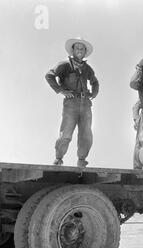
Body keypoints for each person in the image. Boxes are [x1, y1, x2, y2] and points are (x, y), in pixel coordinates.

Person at [45, 37, 99, 167]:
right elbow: (49, 75)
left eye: (82, 49)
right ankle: (58, 158)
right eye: (77, 48)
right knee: (66, 134)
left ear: (85, 52)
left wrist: (94, 93)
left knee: (86, 134)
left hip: (85, 104)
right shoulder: (64, 65)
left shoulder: (88, 69)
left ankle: (82, 160)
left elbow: (95, 82)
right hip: (71, 103)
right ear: (72, 50)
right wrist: (60, 91)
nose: (80, 50)